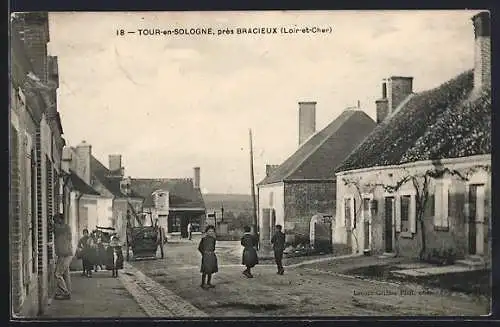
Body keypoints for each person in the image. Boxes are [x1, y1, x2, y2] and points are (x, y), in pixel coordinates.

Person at [53, 214, 73, 300]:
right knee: (65, 274)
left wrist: (51, 223)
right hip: (66, 254)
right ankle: (67, 291)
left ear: (61, 219)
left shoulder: (65, 227)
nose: (55, 222)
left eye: (56, 220)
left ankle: (65, 293)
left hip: (64, 254)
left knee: (57, 274)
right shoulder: (64, 228)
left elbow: (56, 229)